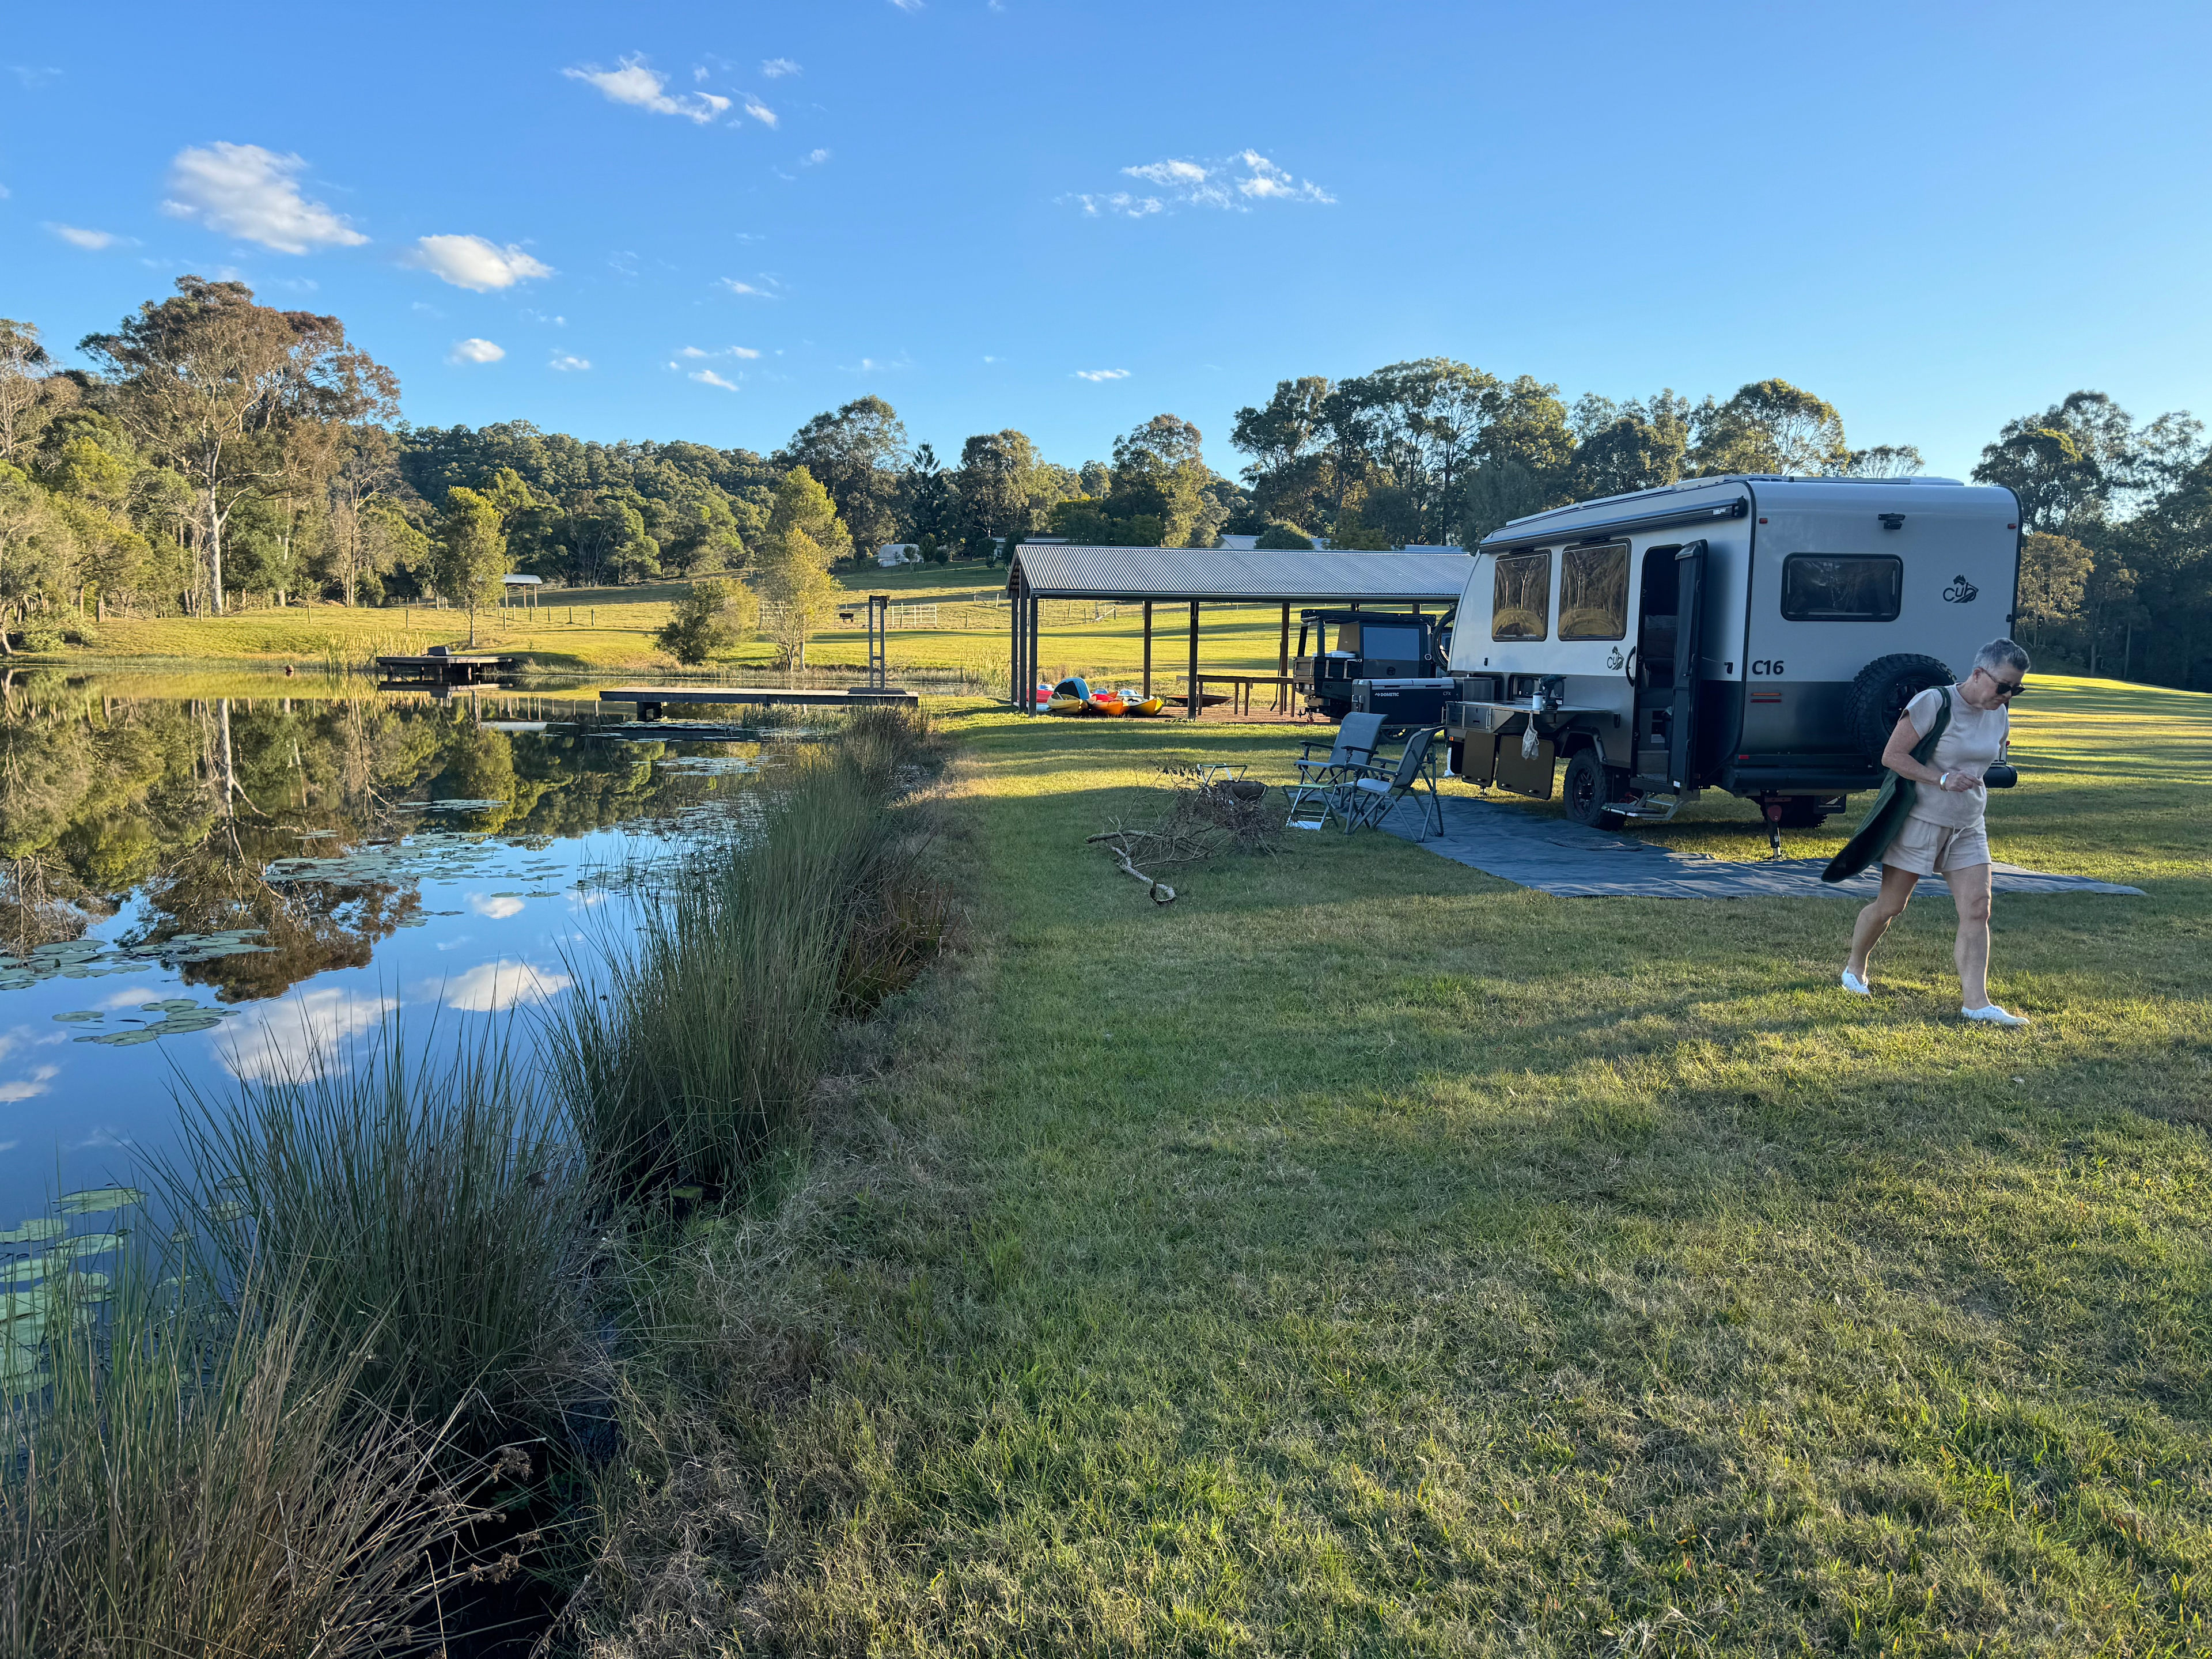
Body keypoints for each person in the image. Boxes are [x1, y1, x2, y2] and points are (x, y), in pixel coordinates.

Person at [1842, 638, 2031, 1024]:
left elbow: (1991, 755)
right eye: (2003, 686)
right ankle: (1854, 967)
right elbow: (1892, 757)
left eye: (2017, 689)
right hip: (1921, 821)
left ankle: (1976, 1004)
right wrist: (1942, 778)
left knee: (1978, 909)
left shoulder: (1999, 713)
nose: (2008, 695)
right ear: (1979, 674)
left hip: (1968, 824)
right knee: (1891, 906)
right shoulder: (1934, 702)